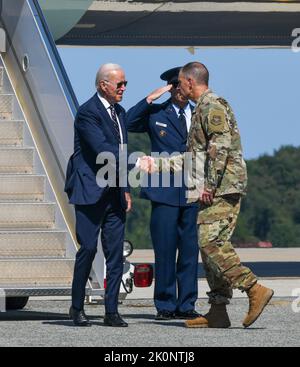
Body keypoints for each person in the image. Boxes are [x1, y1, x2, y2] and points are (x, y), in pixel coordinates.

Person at [140, 62, 274, 328]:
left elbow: (220, 151)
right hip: (214, 186)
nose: (178, 87)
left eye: (180, 82)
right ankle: (218, 310)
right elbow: (194, 158)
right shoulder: (201, 108)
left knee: (211, 243)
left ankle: (253, 288)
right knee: (208, 245)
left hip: (223, 188)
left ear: (191, 82)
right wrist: (159, 164)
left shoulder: (212, 106)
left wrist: (210, 186)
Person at [126, 68, 200, 320]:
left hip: (192, 190)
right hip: (164, 191)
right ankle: (166, 305)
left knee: (190, 252)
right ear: (171, 88)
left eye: (183, 86)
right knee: (165, 251)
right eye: (175, 87)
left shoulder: (199, 113)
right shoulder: (157, 113)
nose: (181, 92)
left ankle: (187, 304)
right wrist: (149, 99)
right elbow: (127, 123)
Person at [65, 63, 131, 327]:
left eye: (125, 83)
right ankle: (76, 306)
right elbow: (103, 150)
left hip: (114, 193)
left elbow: (122, 150)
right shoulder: (87, 113)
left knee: (115, 254)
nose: (124, 88)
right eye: (120, 84)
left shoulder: (120, 113)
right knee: (89, 249)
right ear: (103, 85)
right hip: (90, 191)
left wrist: (125, 189)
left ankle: (111, 311)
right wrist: (138, 163)